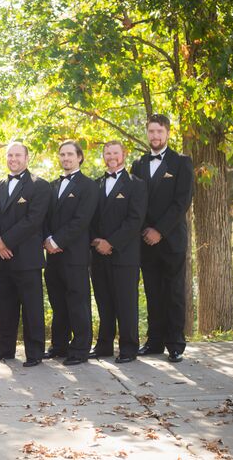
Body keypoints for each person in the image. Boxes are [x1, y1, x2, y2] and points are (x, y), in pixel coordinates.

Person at [131, 114, 193, 363]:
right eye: (151, 131)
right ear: (147, 133)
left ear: (167, 133)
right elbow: (136, 202)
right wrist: (146, 229)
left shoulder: (181, 162)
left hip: (171, 239)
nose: (155, 136)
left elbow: (182, 202)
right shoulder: (138, 163)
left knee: (174, 292)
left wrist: (160, 230)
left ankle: (175, 344)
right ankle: (154, 341)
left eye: (159, 131)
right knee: (153, 292)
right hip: (145, 240)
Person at [0, 142, 51, 367]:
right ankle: (5, 349)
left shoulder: (40, 186)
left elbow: (33, 220)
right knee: (4, 306)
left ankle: (35, 353)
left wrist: (5, 240)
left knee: (32, 307)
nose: (13, 159)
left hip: (26, 258)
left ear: (27, 158)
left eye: (17, 155)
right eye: (10, 155)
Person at [89, 141, 147, 363]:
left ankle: (129, 348)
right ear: (103, 156)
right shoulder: (96, 184)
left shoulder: (136, 184)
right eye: (107, 153)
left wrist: (110, 243)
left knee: (126, 303)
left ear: (124, 154)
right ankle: (104, 346)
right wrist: (96, 241)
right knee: (104, 302)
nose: (111, 156)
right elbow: (89, 218)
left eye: (115, 152)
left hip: (124, 254)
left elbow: (135, 220)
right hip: (98, 254)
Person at [43, 140, 98, 366]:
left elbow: (82, 220)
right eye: (62, 155)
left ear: (79, 157)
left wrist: (57, 240)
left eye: (70, 155)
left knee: (78, 302)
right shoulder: (52, 185)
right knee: (58, 302)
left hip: (74, 254)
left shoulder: (89, 186)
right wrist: (47, 239)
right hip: (52, 254)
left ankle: (80, 349)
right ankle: (59, 345)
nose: (66, 158)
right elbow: (44, 216)